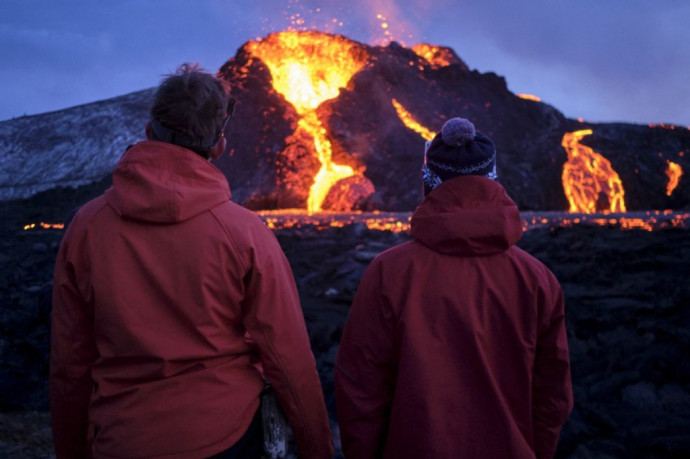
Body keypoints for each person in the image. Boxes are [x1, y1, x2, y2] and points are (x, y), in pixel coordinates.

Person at [51, 63, 333, 459]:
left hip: (122, 438)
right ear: (218, 144)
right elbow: (289, 356)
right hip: (225, 438)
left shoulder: (86, 228)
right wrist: (316, 448)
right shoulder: (244, 233)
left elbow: (70, 362)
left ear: (149, 131)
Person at [335, 117, 573, 458]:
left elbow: (360, 389)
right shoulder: (537, 279)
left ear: (430, 183)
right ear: (493, 181)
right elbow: (553, 397)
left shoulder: (389, 273)